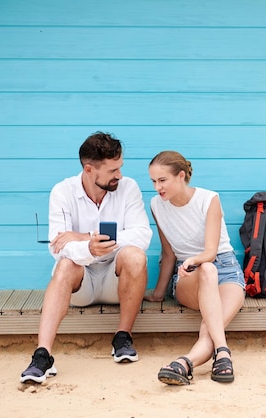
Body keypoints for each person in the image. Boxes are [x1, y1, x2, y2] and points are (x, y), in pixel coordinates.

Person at [20, 132, 153, 384]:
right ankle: (43, 355)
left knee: (135, 256)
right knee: (64, 264)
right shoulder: (62, 191)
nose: (120, 176)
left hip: (117, 281)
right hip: (81, 285)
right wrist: (89, 249)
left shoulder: (129, 188)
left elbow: (142, 235)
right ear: (90, 170)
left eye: (120, 167)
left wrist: (85, 237)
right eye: (113, 170)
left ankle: (122, 336)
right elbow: (58, 247)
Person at [146, 151, 245, 385]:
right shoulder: (156, 205)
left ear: (181, 176)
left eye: (162, 180)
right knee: (207, 271)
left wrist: (195, 260)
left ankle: (184, 363)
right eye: (153, 181)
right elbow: (169, 252)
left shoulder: (209, 199)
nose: (157, 188)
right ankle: (223, 352)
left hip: (226, 270)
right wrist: (159, 292)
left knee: (209, 324)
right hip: (189, 276)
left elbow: (210, 252)